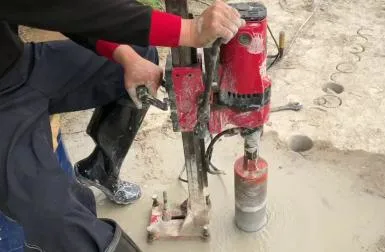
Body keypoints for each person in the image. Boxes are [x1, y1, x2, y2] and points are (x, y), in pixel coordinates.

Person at [0, 0, 245, 251]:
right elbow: (68, 7)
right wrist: (188, 30)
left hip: (18, 66)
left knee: (138, 54)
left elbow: (65, 16)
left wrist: (125, 57)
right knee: (56, 218)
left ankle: (100, 169)